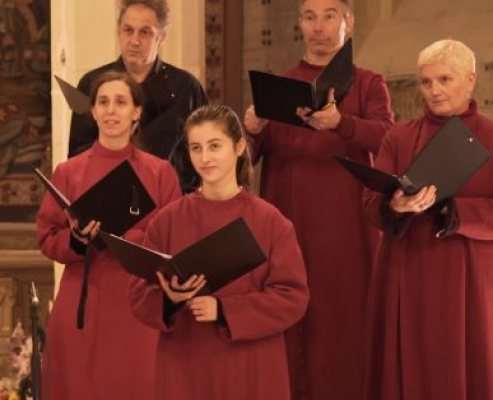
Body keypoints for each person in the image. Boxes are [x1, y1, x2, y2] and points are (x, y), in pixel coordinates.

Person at [243, 1, 394, 398]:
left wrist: (341, 123)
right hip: (290, 229)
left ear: (349, 22)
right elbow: (244, 164)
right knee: (292, 326)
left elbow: (387, 139)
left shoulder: (368, 83)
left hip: (349, 232)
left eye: (329, 16)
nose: (318, 27)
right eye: (309, 17)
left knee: (346, 327)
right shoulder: (279, 86)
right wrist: (252, 130)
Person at [129, 104, 309, 399]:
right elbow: (138, 291)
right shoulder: (169, 220)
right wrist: (168, 299)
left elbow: (293, 297)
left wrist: (225, 310)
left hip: (251, 365)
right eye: (196, 148)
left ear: (239, 147)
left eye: (215, 146)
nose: (204, 158)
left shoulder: (270, 221)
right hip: (185, 364)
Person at [37, 71, 181, 400]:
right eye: (103, 102)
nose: (111, 110)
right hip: (83, 304)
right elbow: (47, 237)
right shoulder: (69, 172)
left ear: (137, 112)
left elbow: (173, 239)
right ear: (93, 110)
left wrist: (127, 236)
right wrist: (76, 239)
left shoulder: (160, 173)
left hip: (139, 305)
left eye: (120, 102)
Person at [363, 39, 493, 400]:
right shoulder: (399, 135)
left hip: (469, 275)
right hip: (405, 268)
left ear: (470, 80)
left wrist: (455, 212)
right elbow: (370, 200)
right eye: (426, 81)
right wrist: (395, 207)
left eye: (444, 80)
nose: (433, 91)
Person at [67, 0, 207, 192]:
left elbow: (203, 151)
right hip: (108, 197)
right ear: (118, 31)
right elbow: (77, 155)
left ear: (162, 36)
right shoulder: (92, 84)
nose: (134, 40)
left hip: (171, 200)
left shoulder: (186, 86)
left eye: (145, 32)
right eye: (128, 30)